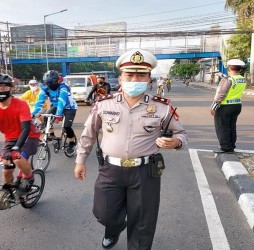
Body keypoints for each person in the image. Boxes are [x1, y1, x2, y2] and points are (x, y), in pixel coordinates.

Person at [74, 49, 188, 250]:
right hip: (110, 170)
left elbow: (182, 135)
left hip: (145, 172)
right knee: (104, 213)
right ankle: (115, 227)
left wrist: (175, 142)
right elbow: (88, 134)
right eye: (130, 74)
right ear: (120, 78)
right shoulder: (104, 104)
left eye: (141, 74)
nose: (135, 78)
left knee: (143, 222)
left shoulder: (162, 107)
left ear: (149, 79)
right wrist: (80, 160)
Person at [32, 70, 78, 154]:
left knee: (67, 126)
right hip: (56, 106)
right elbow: (39, 102)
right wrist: (33, 114)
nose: (49, 85)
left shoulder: (63, 88)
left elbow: (62, 102)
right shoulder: (45, 89)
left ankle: (72, 142)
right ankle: (52, 137)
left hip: (69, 107)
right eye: (46, 82)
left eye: (50, 82)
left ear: (57, 81)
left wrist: (58, 115)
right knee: (46, 118)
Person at [210, 59, 247, 154]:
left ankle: (225, 148)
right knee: (231, 126)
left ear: (229, 68)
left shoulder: (228, 80)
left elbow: (221, 94)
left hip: (225, 107)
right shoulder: (242, 79)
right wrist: (225, 78)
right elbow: (233, 86)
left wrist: (213, 107)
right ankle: (231, 146)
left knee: (222, 127)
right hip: (237, 105)